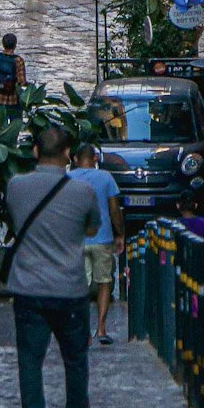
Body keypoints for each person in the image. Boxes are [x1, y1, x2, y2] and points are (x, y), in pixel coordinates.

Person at [4, 125, 104, 408]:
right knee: (75, 360)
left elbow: (14, 222)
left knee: (30, 360)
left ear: (35, 152)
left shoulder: (16, 187)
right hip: (70, 289)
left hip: (29, 287)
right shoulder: (83, 193)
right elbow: (92, 226)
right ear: (68, 156)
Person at [74, 143, 125, 345]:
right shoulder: (106, 178)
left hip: (77, 239)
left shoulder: (68, 178)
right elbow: (114, 209)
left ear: (75, 159)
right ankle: (101, 328)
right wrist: (119, 233)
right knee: (104, 282)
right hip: (102, 238)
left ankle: (84, 331)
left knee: (81, 287)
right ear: (95, 158)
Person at [0, 30, 27, 110]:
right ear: (15, 45)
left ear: (3, 44)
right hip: (14, 100)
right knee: (15, 122)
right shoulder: (18, 60)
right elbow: (22, 82)